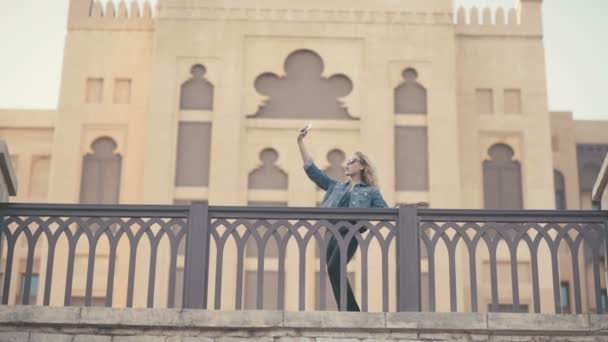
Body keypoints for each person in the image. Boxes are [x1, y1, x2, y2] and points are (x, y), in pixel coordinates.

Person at [297, 125, 388, 311]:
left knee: (334, 267)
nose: (347, 164)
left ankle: (351, 311)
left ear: (362, 166)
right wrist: (300, 142)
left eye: (352, 161)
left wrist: (406, 210)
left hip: (350, 232)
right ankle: (347, 310)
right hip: (332, 234)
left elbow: (386, 211)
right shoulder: (336, 186)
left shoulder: (371, 192)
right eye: (347, 162)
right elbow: (312, 171)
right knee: (332, 269)